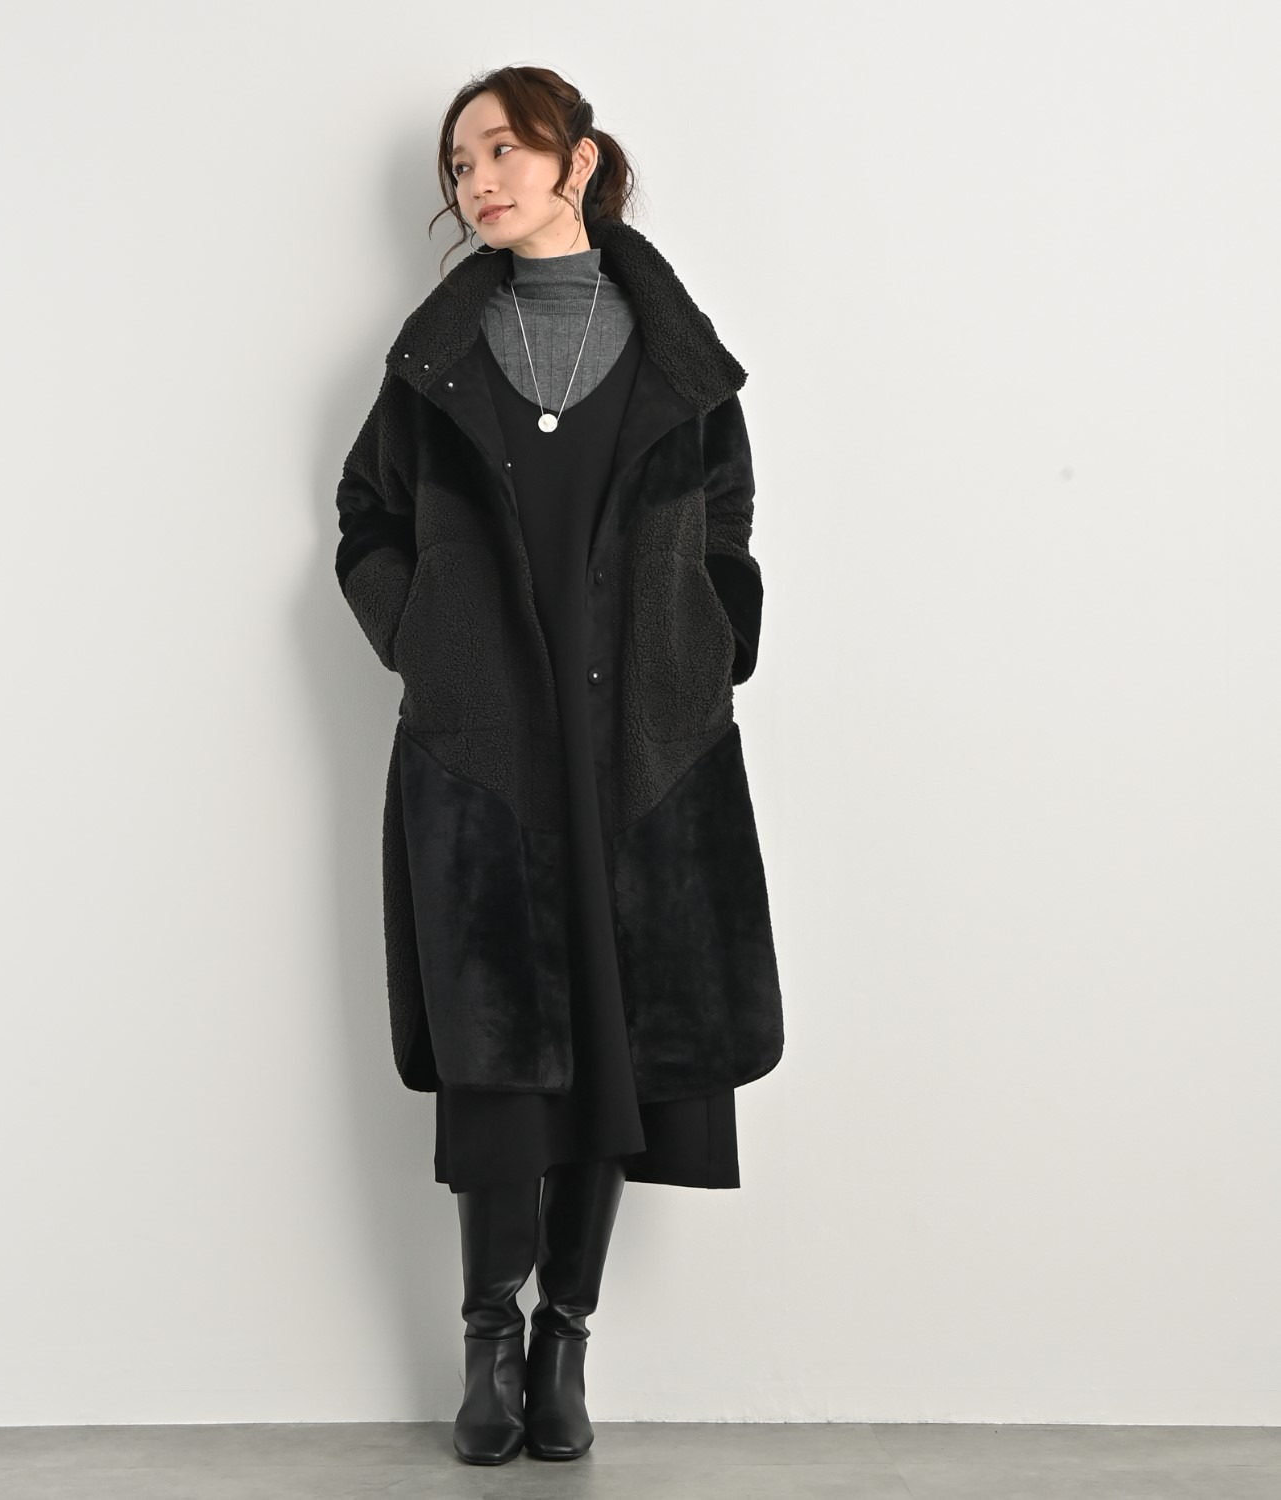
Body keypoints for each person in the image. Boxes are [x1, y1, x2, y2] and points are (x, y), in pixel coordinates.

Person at [333, 65, 785, 1465]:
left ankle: (565, 1340)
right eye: (459, 164)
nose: (477, 181)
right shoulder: (435, 362)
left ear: (577, 161)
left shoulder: (675, 357)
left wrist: (712, 638)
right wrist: (423, 638)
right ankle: (488, 1336)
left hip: (642, 746)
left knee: (617, 1041)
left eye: (502, 151)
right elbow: (365, 518)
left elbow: (727, 519)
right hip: (489, 754)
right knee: (497, 1055)